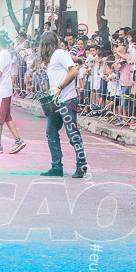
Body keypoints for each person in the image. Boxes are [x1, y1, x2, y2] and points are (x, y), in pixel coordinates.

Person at [37, 31, 87, 178]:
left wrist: (60, 87)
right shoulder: (51, 58)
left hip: (67, 99)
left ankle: (81, 165)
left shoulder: (60, 54)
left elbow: (74, 71)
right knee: (51, 132)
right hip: (55, 100)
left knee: (73, 134)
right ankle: (56, 166)